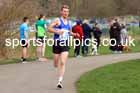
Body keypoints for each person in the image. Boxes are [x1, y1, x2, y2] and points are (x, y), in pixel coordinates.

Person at [48, 5, 77, 88]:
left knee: (63, 62)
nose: (66, 13)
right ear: (61, 12)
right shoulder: (57, 20)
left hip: (65, 43)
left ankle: (60, 81)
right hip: (57, 43)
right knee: (56, 63)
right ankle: (56, 66)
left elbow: (69, 32)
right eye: (64, 11)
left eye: (67, 11)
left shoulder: (69, 22)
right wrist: (57, 31)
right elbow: (49, 28)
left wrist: (74, 34)